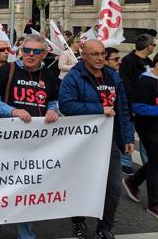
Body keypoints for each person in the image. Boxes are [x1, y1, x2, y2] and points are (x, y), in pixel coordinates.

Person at [0, 34, 59, 239]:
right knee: (2, 186)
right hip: (7, 141)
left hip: (36, 143)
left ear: (44, 54)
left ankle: (25, 233)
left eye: (36, 52)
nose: (30, 55)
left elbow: (52, 101)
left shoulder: (50, 76)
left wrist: (54, 110)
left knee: (30, 189)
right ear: (21, 51)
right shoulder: (7, 71)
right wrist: (12, 111)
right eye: (27, 50)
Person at [59, 39, 135, 239]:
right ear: (84, 56)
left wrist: (127, 137)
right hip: (82, 143)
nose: (100, 58)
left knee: (113, 187)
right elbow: (66, 105)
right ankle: (78, 220)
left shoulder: (112, 77)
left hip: (108, 141)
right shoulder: (74, 77)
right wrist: (99, 110)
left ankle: (105, 227)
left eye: (102, 53)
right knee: (83, 184)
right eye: (95, 54)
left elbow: (122, 108)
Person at [124, 53, 158, 219]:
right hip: (147, 127)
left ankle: (133, 181)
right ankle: (154, 204)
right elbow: (138, 107)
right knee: (156, 161)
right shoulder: (146, 80)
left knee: (155, 160)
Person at [119, 34, 154, 176]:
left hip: (146, 106)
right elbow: (127, 85)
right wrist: (132, 104)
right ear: (148, 46)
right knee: (128, 133)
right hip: (132, 105)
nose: (154, 48)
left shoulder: (149, 61)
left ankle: (148, 163)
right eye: (154, 45)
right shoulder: (128, 61)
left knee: (147, 136)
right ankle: (125, 162)